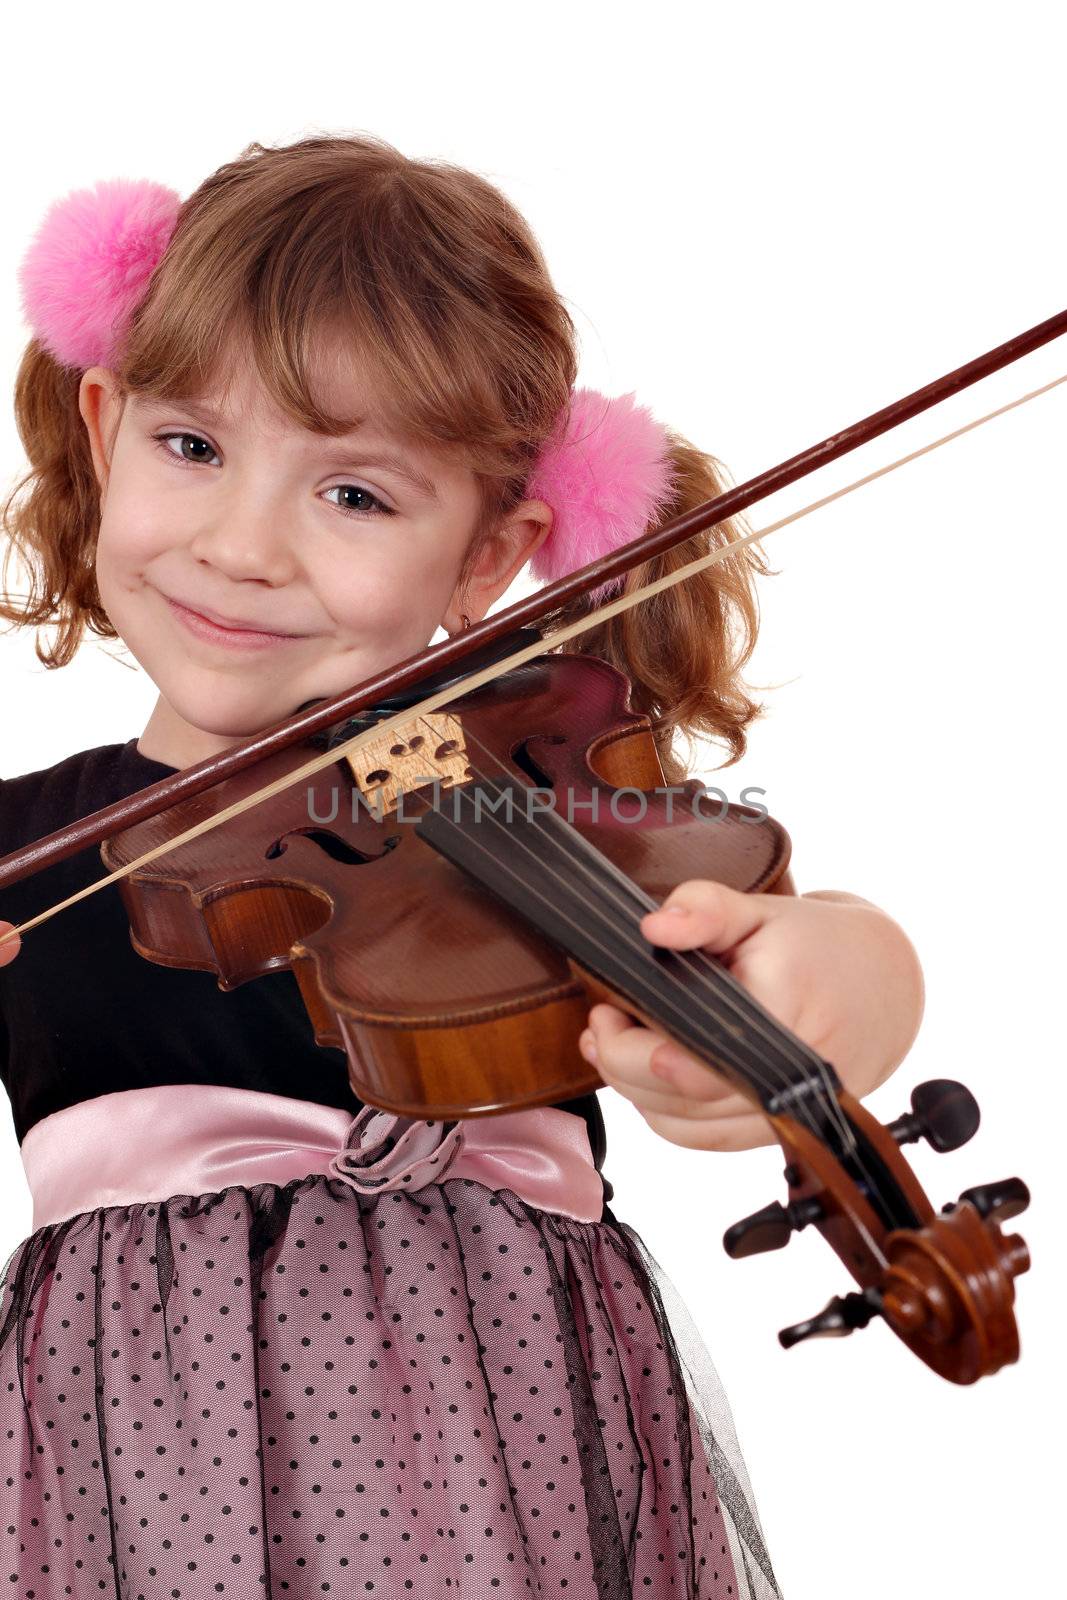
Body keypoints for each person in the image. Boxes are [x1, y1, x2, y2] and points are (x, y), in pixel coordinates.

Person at [0, 134, 924, 1599]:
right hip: (139, 1482)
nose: (244, 547)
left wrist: (813, 993)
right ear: (105, 430)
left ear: (494, 551)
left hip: (509, 1472)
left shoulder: (538, 820)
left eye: (355, 496)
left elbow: (830, 947)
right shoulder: (21, 857)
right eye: (195, 447)